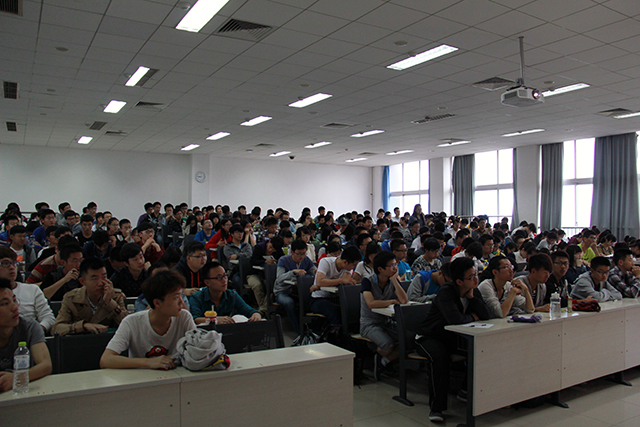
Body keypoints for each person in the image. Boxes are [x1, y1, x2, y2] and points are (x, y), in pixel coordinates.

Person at [415, 257, 491, 422]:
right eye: (471, 277)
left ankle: (465, 391)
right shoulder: (446, 292)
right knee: (441, 358)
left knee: (482, 351)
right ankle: (436, 408)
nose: (476, 279)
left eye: (476, 274)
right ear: (459, 281)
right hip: (430, 337)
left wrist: (472, 298)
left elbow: (486, 315)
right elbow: (455, 319)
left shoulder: (473, 290)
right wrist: (472, 317)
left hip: (453, 338)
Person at [100, 270, 196, 370]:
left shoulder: (184, 317)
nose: (181, 302)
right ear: (157, 303)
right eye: (176, 297)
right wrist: (148, 362)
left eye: (181, 295)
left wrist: (168, 359)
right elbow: (106, 359)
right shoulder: (131, 322)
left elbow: (197, 349)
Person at [360, 250, 409, 380]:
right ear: (380, 269)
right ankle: (383, 359)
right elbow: (371, 304)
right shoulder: (367, 281)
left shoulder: (391, 280)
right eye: (391, 266)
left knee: (408, 340)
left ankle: (383, 361)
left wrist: (395, 280)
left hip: (386, 322)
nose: (395, 268)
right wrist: (391, 301)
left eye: (395, 265)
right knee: (388, 345)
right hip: (369, 324)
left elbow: (404, 300)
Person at [0, 278, 52, 392]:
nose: (15, 307)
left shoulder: (29, 327)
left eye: (14, 300)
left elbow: (46, 365)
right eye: (5, 303)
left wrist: (16, 378)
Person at [51, 258, 126, 336]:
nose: (100, 283)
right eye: (94, 279)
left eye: (104, 277)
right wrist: (83, 326)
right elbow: (57, 329)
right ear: (82, 281)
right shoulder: (71, 298)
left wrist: (109, 302)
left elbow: (127, 324)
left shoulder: (115, 296)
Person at [0, 247, 54, 334]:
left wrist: (35, 331)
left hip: (31, 335)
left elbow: (48, 317)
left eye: (14, 263)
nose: (11, 267)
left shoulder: (32, 289)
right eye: (5, 263)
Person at [189, 261, 260, 324]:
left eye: (225, 276)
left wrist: (256, 315)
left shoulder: (231, 295)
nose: (224, 280)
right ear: (207, 282)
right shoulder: (197, 297)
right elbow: (195, 320)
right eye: (219, 278)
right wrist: (215, 320)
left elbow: (250, 311)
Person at [308, 246, 360, 325]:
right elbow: (320, 282)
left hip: (336, 298)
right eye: (354, 265)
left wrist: (325, 284)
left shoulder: (348, 268)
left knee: (352, 310)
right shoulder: (325, 262)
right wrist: (340, 280)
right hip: (319, 299)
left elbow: (344, 282)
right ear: (345, 262)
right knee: (337, 312)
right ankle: (335, 331)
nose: (355, 267)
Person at [274, 239, 317, 334]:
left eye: (304, 253)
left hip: (299, 291)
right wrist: (293, 272)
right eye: (299, 254)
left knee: (311, 300)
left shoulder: (306, 260)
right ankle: (300, 331)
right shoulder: (283, 260)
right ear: (292, 252)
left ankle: (312, 329)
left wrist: (317, 271)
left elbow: (313, 271)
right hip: (283, 291)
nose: (301, 256)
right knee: (289, 303)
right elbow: (279, 278)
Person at [246, 236, 283, 318]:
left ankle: (261, 311)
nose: (270, 250)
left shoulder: (279, 251)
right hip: (254, 274)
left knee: (272, 288)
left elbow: (282, 261)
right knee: (257, 285)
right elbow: (252, 262)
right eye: (270, 247)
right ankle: (264, 310)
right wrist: (265, 262)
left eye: (273, 250)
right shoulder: (259, 247)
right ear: (269, 241)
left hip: (268, 276)